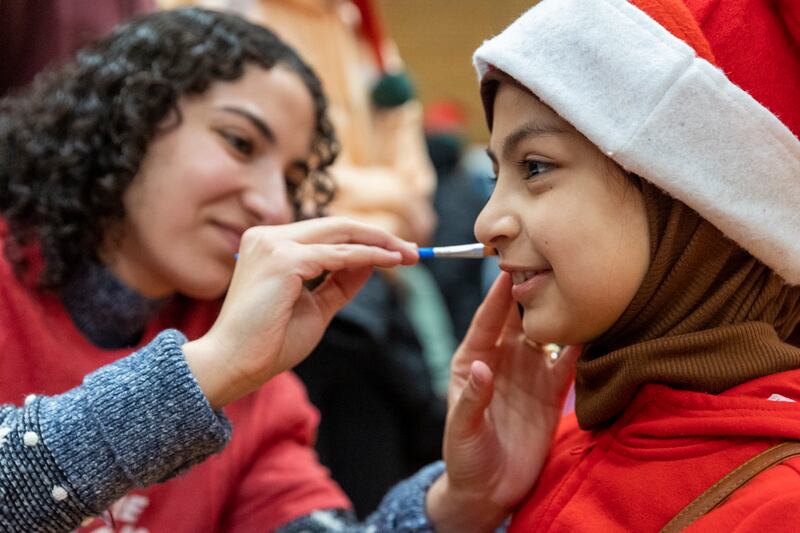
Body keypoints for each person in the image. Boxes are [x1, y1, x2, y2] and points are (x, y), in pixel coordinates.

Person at [432, 0, 799, 530]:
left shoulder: (777, 508)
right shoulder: (549, 448)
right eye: (495, 178)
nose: (486, 224)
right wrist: (468, 507)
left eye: (534, 167)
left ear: (685, 199)